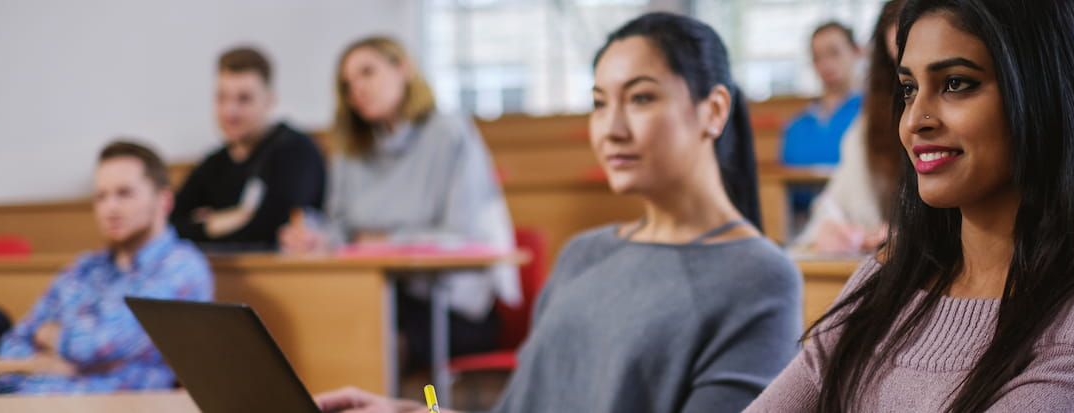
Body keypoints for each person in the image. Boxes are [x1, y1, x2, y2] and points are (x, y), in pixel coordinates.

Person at [313, 12, 803, 413]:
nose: (610, 128)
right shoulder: (584, 254)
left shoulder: (759, 276)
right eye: (597, 103)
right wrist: (419, 412)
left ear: (714, 110)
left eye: (640, 98)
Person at [746, 0, 1074, 411]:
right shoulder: (892, 276)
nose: (916, 120)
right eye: (909, 89)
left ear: (1046, 90)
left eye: (956, 83)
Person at [278, 36, 520, 370]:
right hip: (379, 295)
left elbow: (462, 237)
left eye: (368, 73)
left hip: (449, 307)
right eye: (348, 84)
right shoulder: (352, 147)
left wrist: (380, 241)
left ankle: (432, 408)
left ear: (403, 69)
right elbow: (340, 228)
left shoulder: (449, 134)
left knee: (380, 346)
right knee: (317, 326)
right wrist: (317, 237)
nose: (358, 89)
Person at [0, 142, 213, 396]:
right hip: (16, 401)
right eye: (101, 196)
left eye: (124, 193)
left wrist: (52, 339)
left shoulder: (180, 267)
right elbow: (12, 344)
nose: (110, 208)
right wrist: (72, 360)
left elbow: (101, 344)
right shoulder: (84, 267)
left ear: (164, 200)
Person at [171, 46, 327, 252]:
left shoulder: (295, 151)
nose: (230, 111)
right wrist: (219, 222)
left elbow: (269, 232)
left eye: (244, 99)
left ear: (269, 100)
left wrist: (204, 226)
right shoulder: (214, 163)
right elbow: (169, 227)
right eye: (222, 98)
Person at [792, 0, 905, 254]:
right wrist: (834, 229)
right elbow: (836, 202)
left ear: (857, 52)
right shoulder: (867, 127)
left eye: (834, 52)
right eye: (902, 76)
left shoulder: (858, 112)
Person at [781, 21, 866, 227]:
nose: (826, 64)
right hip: (802, 228)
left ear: (856, 52)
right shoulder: (796, 126)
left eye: (834, 53)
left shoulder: (870, 116)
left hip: (860, 225)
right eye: (817, 57)